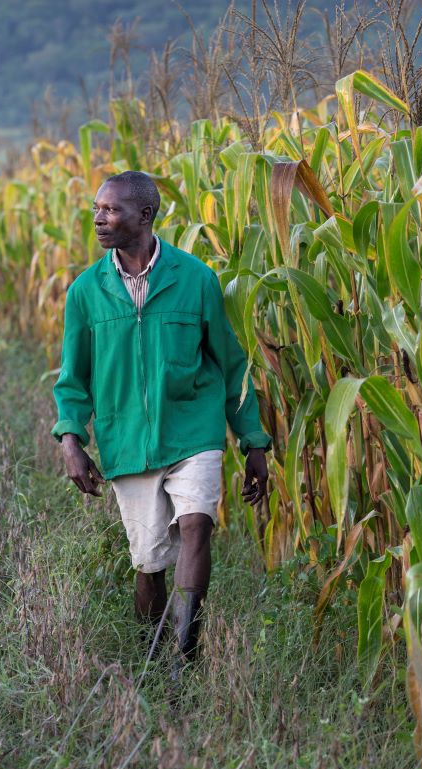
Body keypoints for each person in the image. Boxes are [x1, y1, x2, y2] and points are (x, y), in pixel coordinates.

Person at [51, 170, 271, 680]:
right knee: (148, 563)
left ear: (145, 215)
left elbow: (230, 364)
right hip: (127, 439)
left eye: (111, 210)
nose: (99, 218)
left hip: (193, 427)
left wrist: (252, 440)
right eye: (97, 209)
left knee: (197, 526)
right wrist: (71, 440)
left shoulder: (196, 280)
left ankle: (184, 660)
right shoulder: (86, 292)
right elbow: (73, 378)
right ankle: (153, 657)